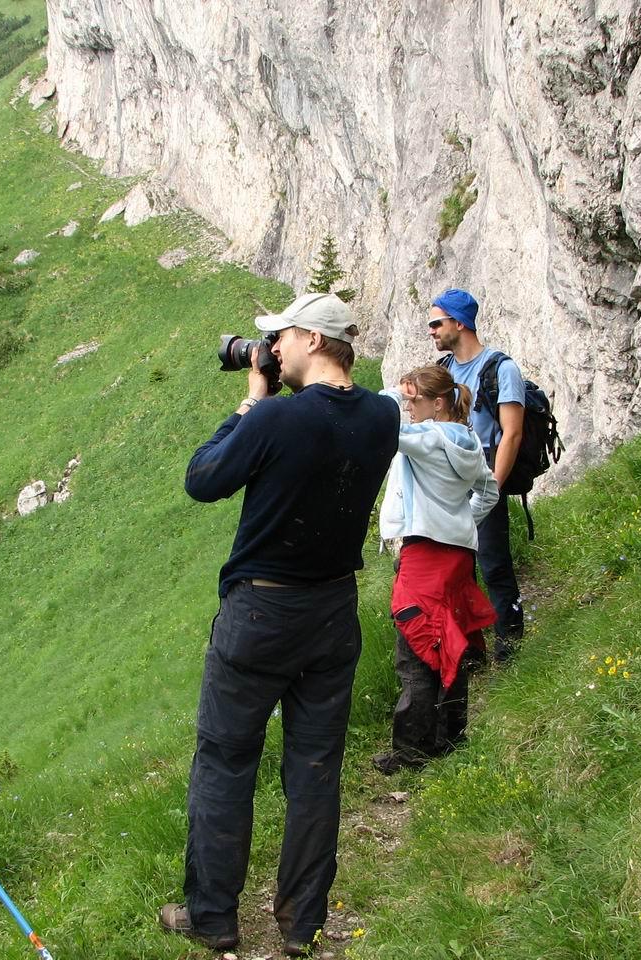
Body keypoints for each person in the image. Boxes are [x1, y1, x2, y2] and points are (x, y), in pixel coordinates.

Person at [159, 293, 398, 957]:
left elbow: (202, 480)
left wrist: (252, 400)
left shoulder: (277, 419)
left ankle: (211, 916)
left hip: (261, 613)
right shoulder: (383, 415)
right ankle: (302, 923)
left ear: (313, 340)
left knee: (226, 762)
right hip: (332, 611)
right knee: (315, 768)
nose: (273, 350)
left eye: (281, 338)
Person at [372, 365, 498, 774]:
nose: (408, 407)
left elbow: (383, 429)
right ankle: (451, 736)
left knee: (416, 650)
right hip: (457, 553)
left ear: (438, 403)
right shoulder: (467, 439)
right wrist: (461, 519)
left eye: (415, 400)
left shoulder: (429, 437)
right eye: (406, 401)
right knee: (451, 641)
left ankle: (412, 751)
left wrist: (390, 394)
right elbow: (488, 490)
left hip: (425, 554)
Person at [430, 288, 527, 662]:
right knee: (457, 565)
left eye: (437, 322)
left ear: (459, 322)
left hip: (486, 469)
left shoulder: (502, 368)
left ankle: (511, 643)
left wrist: (492, 489)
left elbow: (512, 433)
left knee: (492, 560)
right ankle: (470, 649)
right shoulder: (444, 372)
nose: (432, 331)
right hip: (453, 471)